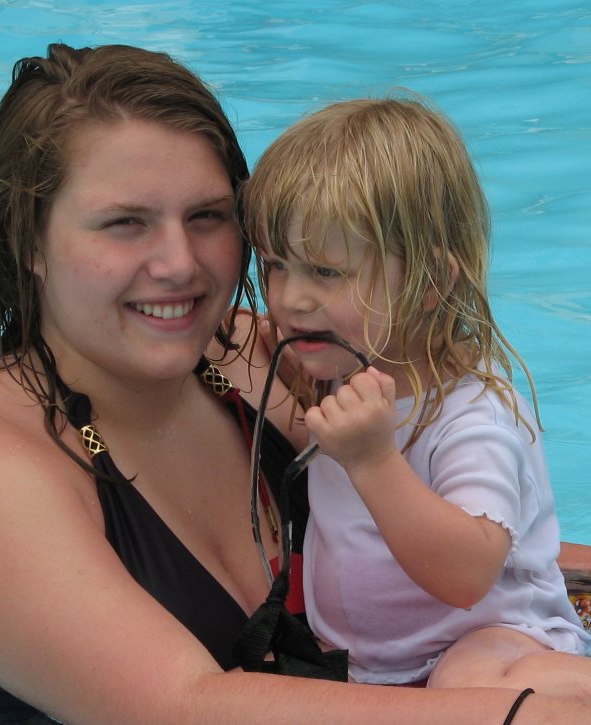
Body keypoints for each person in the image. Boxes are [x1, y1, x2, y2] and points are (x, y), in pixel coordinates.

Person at [0, 44, 587, 725]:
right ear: (28, 241)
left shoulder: (249, 357)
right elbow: (179, 706)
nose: (179, 264)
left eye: (207, 216)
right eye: (125, 222)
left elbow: (454, 536)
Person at [244, 94, 591, 698]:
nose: (290, 298)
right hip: (375, 662)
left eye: (325, 272)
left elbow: (466, 577)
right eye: (276, 265)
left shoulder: (471, 415)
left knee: (471, 684)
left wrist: (373, 462)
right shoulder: (336, 362)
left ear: (429, 284)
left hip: (495, 637)